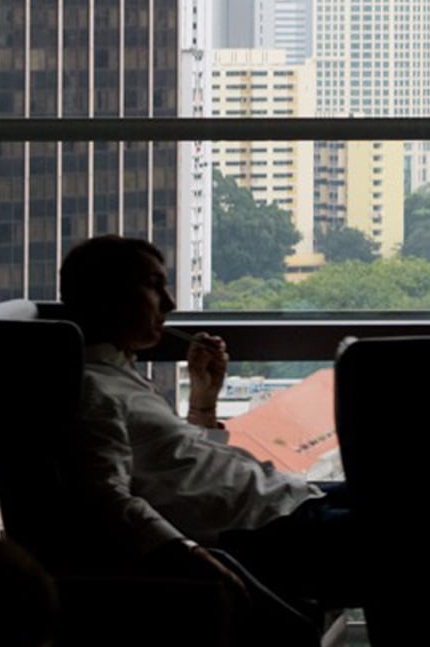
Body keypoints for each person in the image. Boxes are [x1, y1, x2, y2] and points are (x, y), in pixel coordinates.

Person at [56, 234, 365, 607]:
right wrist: (187, 554)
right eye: (153, 286)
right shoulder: (92, 389)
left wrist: (204, 402)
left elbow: (185, 462)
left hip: (283, 502)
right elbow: (105, 496)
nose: (169, 303)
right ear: (108, 297)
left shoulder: (120, 374)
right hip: (267, 531)